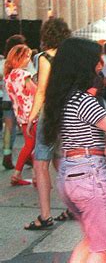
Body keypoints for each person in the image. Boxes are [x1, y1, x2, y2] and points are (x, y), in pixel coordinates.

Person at [43, 37, 106, 263]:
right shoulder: (84, 101)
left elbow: (99, 134)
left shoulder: (64, 98)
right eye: (96, 60)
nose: (101, 65)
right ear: (83, 64)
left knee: (92, 240)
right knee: (101, 247)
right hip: (89, 176)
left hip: (69, 175)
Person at [24, 18, 72, 230]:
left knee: (40, 163)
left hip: (51, 114)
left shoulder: (44, 58)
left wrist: (32, 116)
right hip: (69, 112)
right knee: (61, 161)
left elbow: (42, 90)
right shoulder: (70, 56)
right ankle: (72, 207)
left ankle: (45, 215)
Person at [4, 45, 36, 185]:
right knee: (37, 146)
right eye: (27, 56)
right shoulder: (24, 75)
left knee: (29, 145)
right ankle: (35, 176)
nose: (29, 60)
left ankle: (18, 175)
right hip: (33, 114)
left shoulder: (9, 76)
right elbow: (36, 92)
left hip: (21, 116)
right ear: (20, 57)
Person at [1, 35, 24, 170]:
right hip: (21, 101)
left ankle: (7, 156)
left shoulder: (3, 63)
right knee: (27, 131)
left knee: (8, 130)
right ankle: (27, 157)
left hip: (6, 100)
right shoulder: (23, 63)